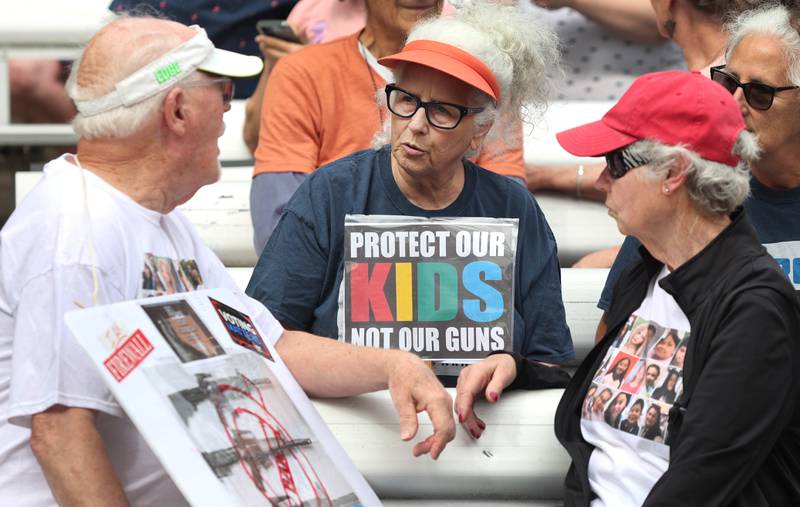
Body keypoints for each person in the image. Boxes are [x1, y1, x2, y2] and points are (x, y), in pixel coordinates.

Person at [0, 17, 456, 506]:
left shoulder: (157, 219)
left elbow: (269, 343)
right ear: (177, 112)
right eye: (220, 92)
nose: (227, 110)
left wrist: (393, 364)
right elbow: (61, 436)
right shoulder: (76, 233)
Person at [455, 69, 800, 504]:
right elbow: (620, 391)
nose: (600, 180)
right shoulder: (648, 269)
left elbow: (700, 485)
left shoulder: (754, 310)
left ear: (674, 172)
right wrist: (518, 368)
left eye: (615, 163)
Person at [246, 3, 574, 382]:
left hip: (483, 432)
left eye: (443, 111)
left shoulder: (514, 209)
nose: (416, 125)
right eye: (406, 100)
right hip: (357, 427)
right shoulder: (331, 193)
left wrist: (514, 368)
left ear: (480, 131)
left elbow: (550, 360)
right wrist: (386, 368)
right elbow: (265, 339)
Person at [248, 0, 529, 254]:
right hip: (335, 298)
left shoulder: (483, 78)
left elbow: (508, 226)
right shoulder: (303, 73)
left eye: (443, 110)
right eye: (407, 101)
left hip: (460, 296)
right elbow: (278, 231)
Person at [593, 0, 800, 298]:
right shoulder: (688, 188)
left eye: (760, 93)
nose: (736, 103)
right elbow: (616, 331)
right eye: (728, 83)